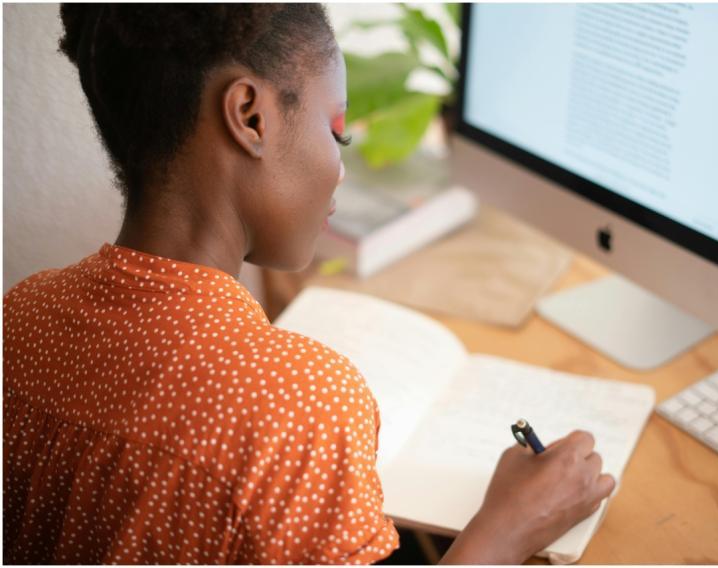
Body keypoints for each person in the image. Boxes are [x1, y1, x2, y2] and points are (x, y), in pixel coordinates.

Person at [3, 4, 615, 564]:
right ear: (250, 116)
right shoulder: (301, 407)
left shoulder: (19, 317)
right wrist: (508, 527)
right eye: (336, 131)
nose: (340, 168)